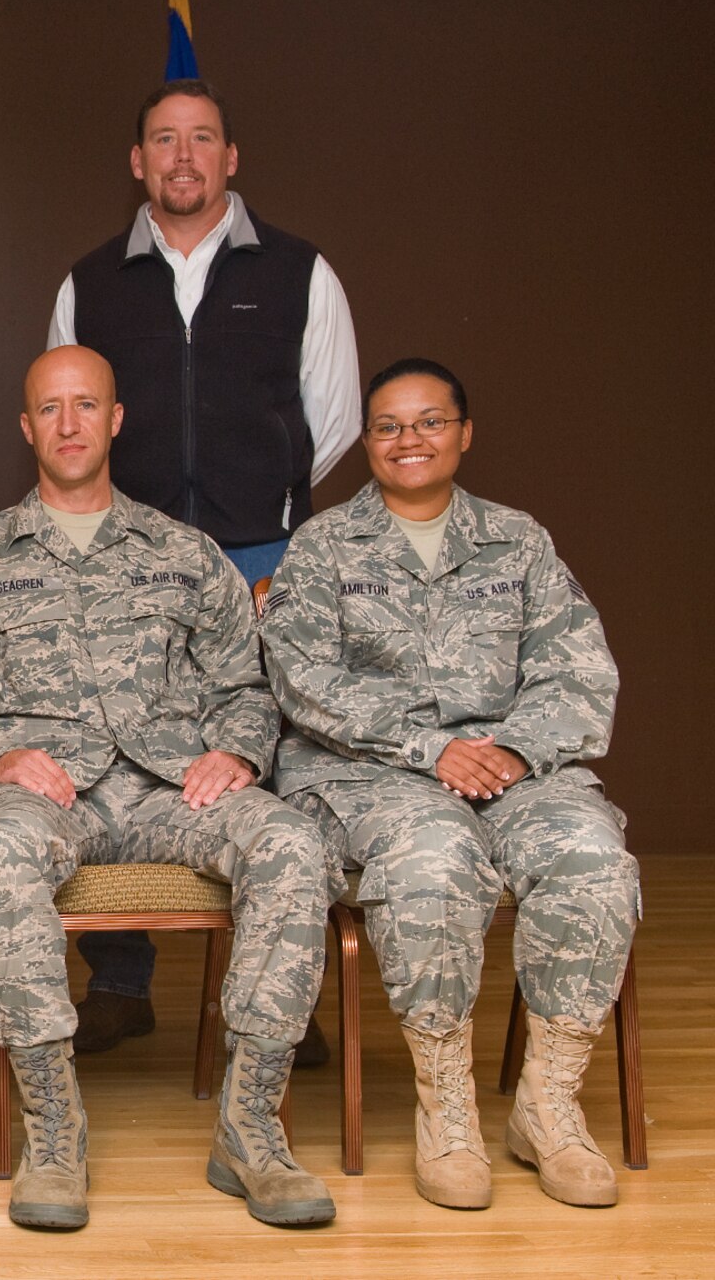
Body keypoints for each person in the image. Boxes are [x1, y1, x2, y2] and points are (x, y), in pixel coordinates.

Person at [0, 346, 335, 1230]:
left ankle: (251, 1124)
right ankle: (53, 1126)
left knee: (293, 843)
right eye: (49, 409)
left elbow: (244, 685)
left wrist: (239, 753)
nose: (68, 424)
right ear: (26, 426)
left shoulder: (186, 554)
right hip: (43, 787)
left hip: (169, 785)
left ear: (115, 419)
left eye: (86, 405)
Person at [261, 358, 637, 1210]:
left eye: (431, 421)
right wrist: (431, 746)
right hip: (372, 772)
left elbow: (576, 669)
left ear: (465, 433)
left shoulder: (519, 539)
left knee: (591, 858)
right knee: (431, 862)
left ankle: (548, 1104)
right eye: (389, 426)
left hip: (515, 769)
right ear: (367, 444)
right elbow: (301, 676)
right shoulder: (324, 546)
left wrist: (512, 748)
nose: (410, 440)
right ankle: (450, 1108)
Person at [46, 78, 360, 1058]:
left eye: (202, 139)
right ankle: (120, 981)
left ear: (230, 158)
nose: (182, 157)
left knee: (262, 757)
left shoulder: (302, 273)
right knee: (120, 747)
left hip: (259, 554)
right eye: (161, 141)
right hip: (120, 559)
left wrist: (252, 507)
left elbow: (333, 415)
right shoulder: (87, 284)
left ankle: (282, 998)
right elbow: (70, 420)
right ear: (135, 162)